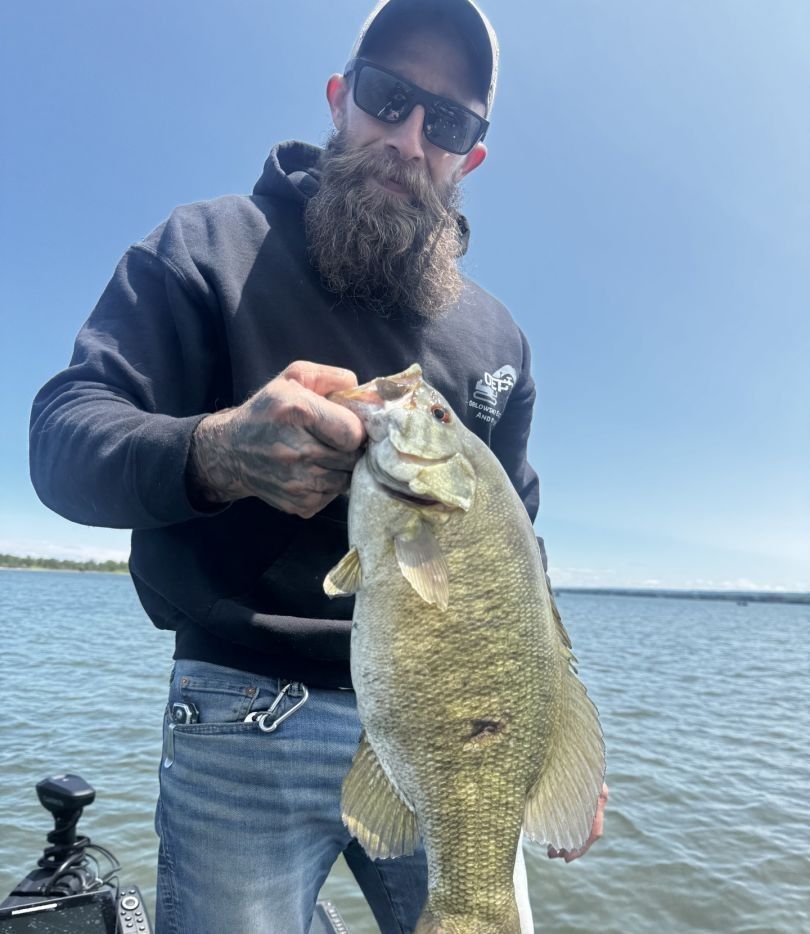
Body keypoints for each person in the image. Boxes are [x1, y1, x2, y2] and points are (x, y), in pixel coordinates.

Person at [29, 1, 607, 931]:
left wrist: (557, 747)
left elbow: (520, 558)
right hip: (240, 714)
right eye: (389, 98)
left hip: (467, 738)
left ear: (471, 156)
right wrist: (214, 452)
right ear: (341, 99)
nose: (410, 140)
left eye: (448, 123)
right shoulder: (205, 248)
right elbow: (62, 437)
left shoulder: (496, 336)